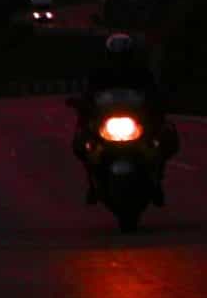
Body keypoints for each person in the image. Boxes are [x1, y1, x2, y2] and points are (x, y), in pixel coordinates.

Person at [73, 33, 177, 204]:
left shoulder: (141, 72)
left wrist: (159, 101)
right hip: (106, 118)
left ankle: (157, 180)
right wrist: (82, 103)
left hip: (137, 118)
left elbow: (153, 91)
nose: (119, 60)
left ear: (130, 54)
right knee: (82, 140)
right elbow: (89, 94)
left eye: (123, 56)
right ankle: (92, 183)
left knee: (164, 134)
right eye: (116, 56)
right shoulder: (100, 73)